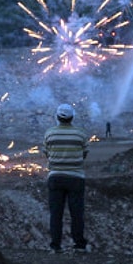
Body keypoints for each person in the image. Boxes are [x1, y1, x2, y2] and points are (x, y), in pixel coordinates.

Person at [43, 103, 90, 253]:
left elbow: (47, 153)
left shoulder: (49, 133)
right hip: (76, 177)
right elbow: (84, 154)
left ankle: (55, 245)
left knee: (56, 213)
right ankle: (79, 244)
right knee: (77, 213)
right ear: (72, 117)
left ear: (57, 117)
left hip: (55, 177)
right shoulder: (80, 133)